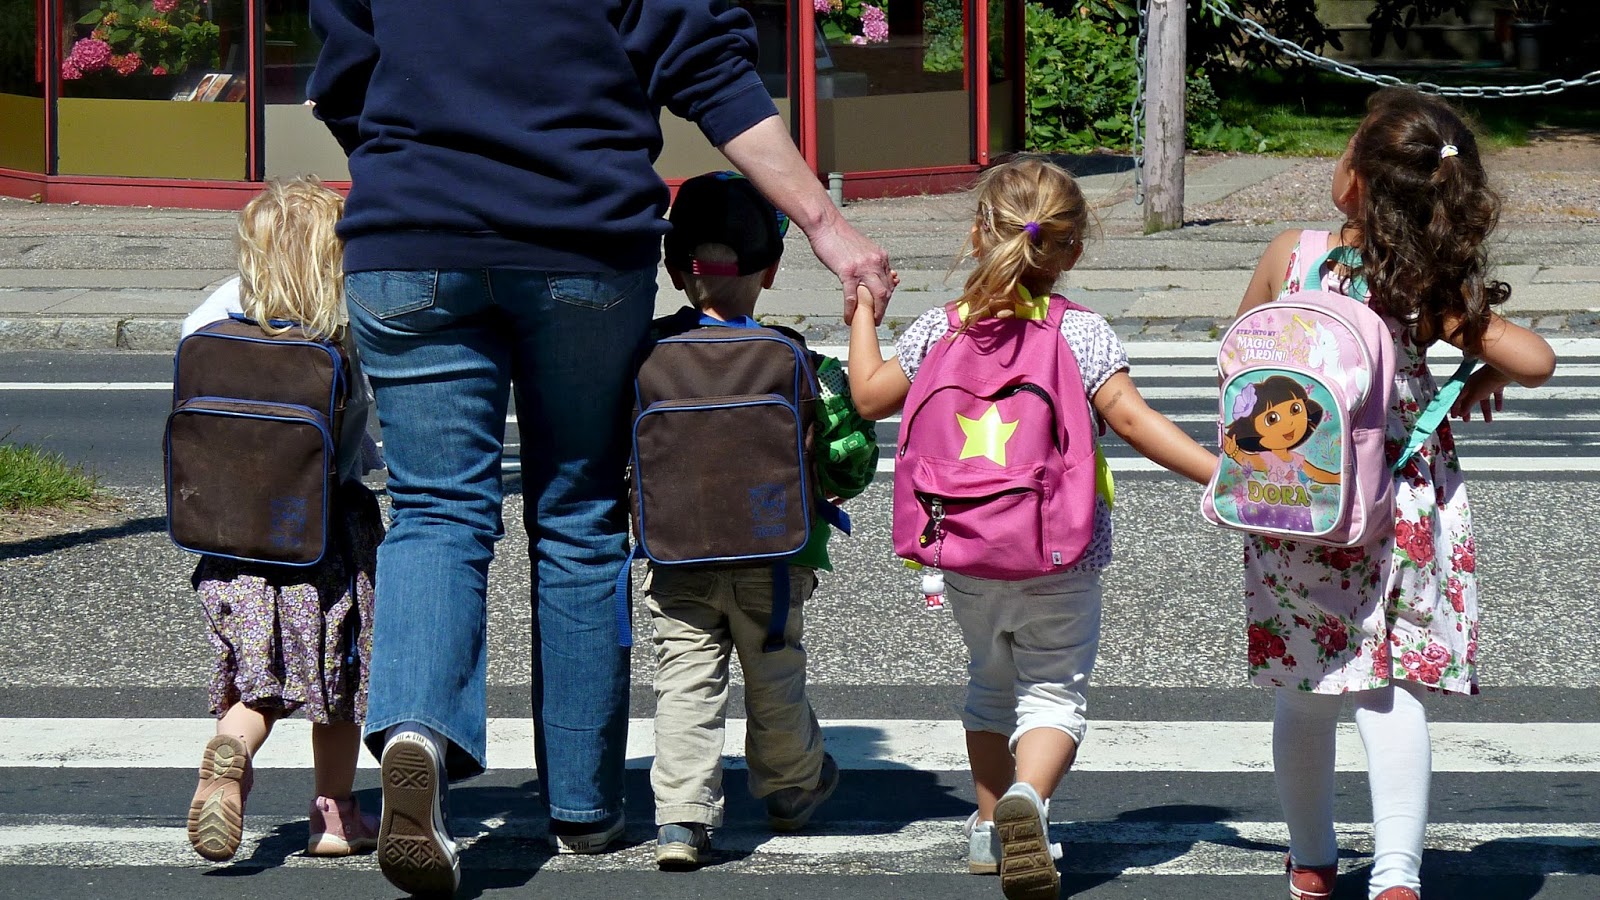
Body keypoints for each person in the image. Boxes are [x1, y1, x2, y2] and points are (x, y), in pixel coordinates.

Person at [306, 2, 894, 896]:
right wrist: (822, 222)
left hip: (410, 235)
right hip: (578, 239)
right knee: (577, 508)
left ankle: (418, 730)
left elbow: (344, 71)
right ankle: (582, 805)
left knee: (435, 509)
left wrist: (420, 166)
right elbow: (711, 72)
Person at [845, 156, 1217, 900]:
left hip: (964, 553)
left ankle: (988, 832)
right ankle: (1029, 802)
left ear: (979, 235)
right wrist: (1225, 477)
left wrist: (861, 312)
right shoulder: (1082, 335)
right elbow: (1135, 422)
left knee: (990, 684)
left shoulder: (937, 330)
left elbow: (866, 397)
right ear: (1071, 248)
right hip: (1061, 557)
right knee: (1053, 695)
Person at [1232, 88, 1555, 900]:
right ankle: (1398, 875)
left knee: (1303, 691)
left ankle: (1310, 861)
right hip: (1399, 504)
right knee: (1388, 687)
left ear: (1355, 177)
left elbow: (1241, 360)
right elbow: (1538, 359)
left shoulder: (1290, 254)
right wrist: (1472, 373)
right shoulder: (1424, 282)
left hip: (1298, 503)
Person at [643, 172, 878, 869]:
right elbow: (849, 458)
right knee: (774, 674)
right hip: (774, 560)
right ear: (770, 271)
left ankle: (682, 818)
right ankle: (791, 788)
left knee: (686, 680)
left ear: (672, 266)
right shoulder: (795, 358)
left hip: (676, 552)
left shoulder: (645, 354)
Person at [182, 177, 385, 863]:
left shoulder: (206, 320)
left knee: (256, 675)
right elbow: (356, 445)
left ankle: (233, 747)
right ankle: (335, 817)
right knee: (335, 683)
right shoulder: (341, 337)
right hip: (320, 541)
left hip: (228, 536)